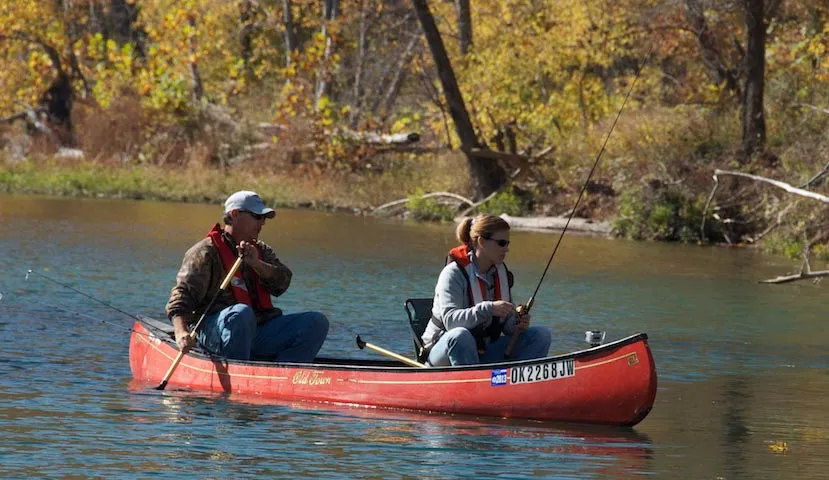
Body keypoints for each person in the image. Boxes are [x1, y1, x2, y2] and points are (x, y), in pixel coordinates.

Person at [166, 190, 329, 362]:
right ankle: (238, 369)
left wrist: (257, 264)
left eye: (264, 218)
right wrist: (181, 332)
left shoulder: (261, 250)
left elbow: (283, 283)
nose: (263, 222)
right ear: (235, 214)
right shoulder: (204, 252)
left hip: (258, 331)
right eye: (257, 217)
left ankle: (287, 374)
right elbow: (180, 298)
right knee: (241, 314)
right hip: (213, 332)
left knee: (316, 322)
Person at [421, 215, 552, 366]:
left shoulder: (501, 273)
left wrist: (516, 323)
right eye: (501, 243)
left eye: (507, 243)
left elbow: (507, 326)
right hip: (441, 351)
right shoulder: (453, 274)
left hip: (483, 350)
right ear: (481, 242)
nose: (506, 249)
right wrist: (488, 309)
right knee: (460, 336)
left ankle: (520, 384)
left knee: (540, 335)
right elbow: (451, 322)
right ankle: (470, 386)